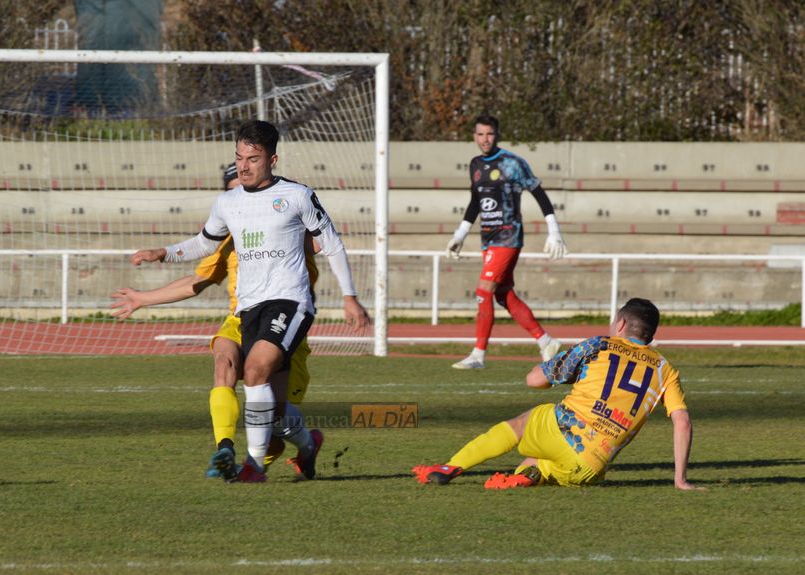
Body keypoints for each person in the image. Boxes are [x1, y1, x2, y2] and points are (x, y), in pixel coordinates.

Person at [128, 120, 370, 483]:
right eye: (239, 158)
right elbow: (204, 243)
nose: (243, 166)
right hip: (249, 308)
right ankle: (308, 446)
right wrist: (163, 252)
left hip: (290, 301)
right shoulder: (228, 202)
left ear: (272, 160)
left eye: (252, 159)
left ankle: (253, 467)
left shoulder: (297, 196)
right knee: (277, 414)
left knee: (254, 370)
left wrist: (349, 297)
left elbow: (332, 243)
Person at [111, 164, 320, 479]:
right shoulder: (228, 238)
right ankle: (225, 448)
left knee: (275, 424)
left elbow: (319, 242)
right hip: (240, 319)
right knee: (224, 360)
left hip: (281, 323)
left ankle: (307, 446)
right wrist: (143, 298)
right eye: (236, 190)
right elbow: (196, 281)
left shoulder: (288, 227)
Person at [413, 298, 702, 491]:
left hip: (567, 431)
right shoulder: (665, 369)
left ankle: (451, 467)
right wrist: (680, 480)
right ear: (650, 335)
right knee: (539, 462)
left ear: (621, 325)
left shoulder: (599, 345)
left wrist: (563, 371)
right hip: (591, 468)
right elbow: (683, 423)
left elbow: (535, 380)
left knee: (525, 422)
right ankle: (528, 476)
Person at [446, 114, 568, 370]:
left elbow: (539, 193)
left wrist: (554, 230)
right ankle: (545, 341)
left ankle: (478, 354)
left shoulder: (513, 163)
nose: (485, 139)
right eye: (480, 134)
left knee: (484, 291)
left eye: (489, 134)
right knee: (503, 294)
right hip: (488, 238)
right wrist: (460, 234)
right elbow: (475, 202)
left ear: (497, 135)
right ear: (474, 136)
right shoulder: (475, 164)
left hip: (508, 236)